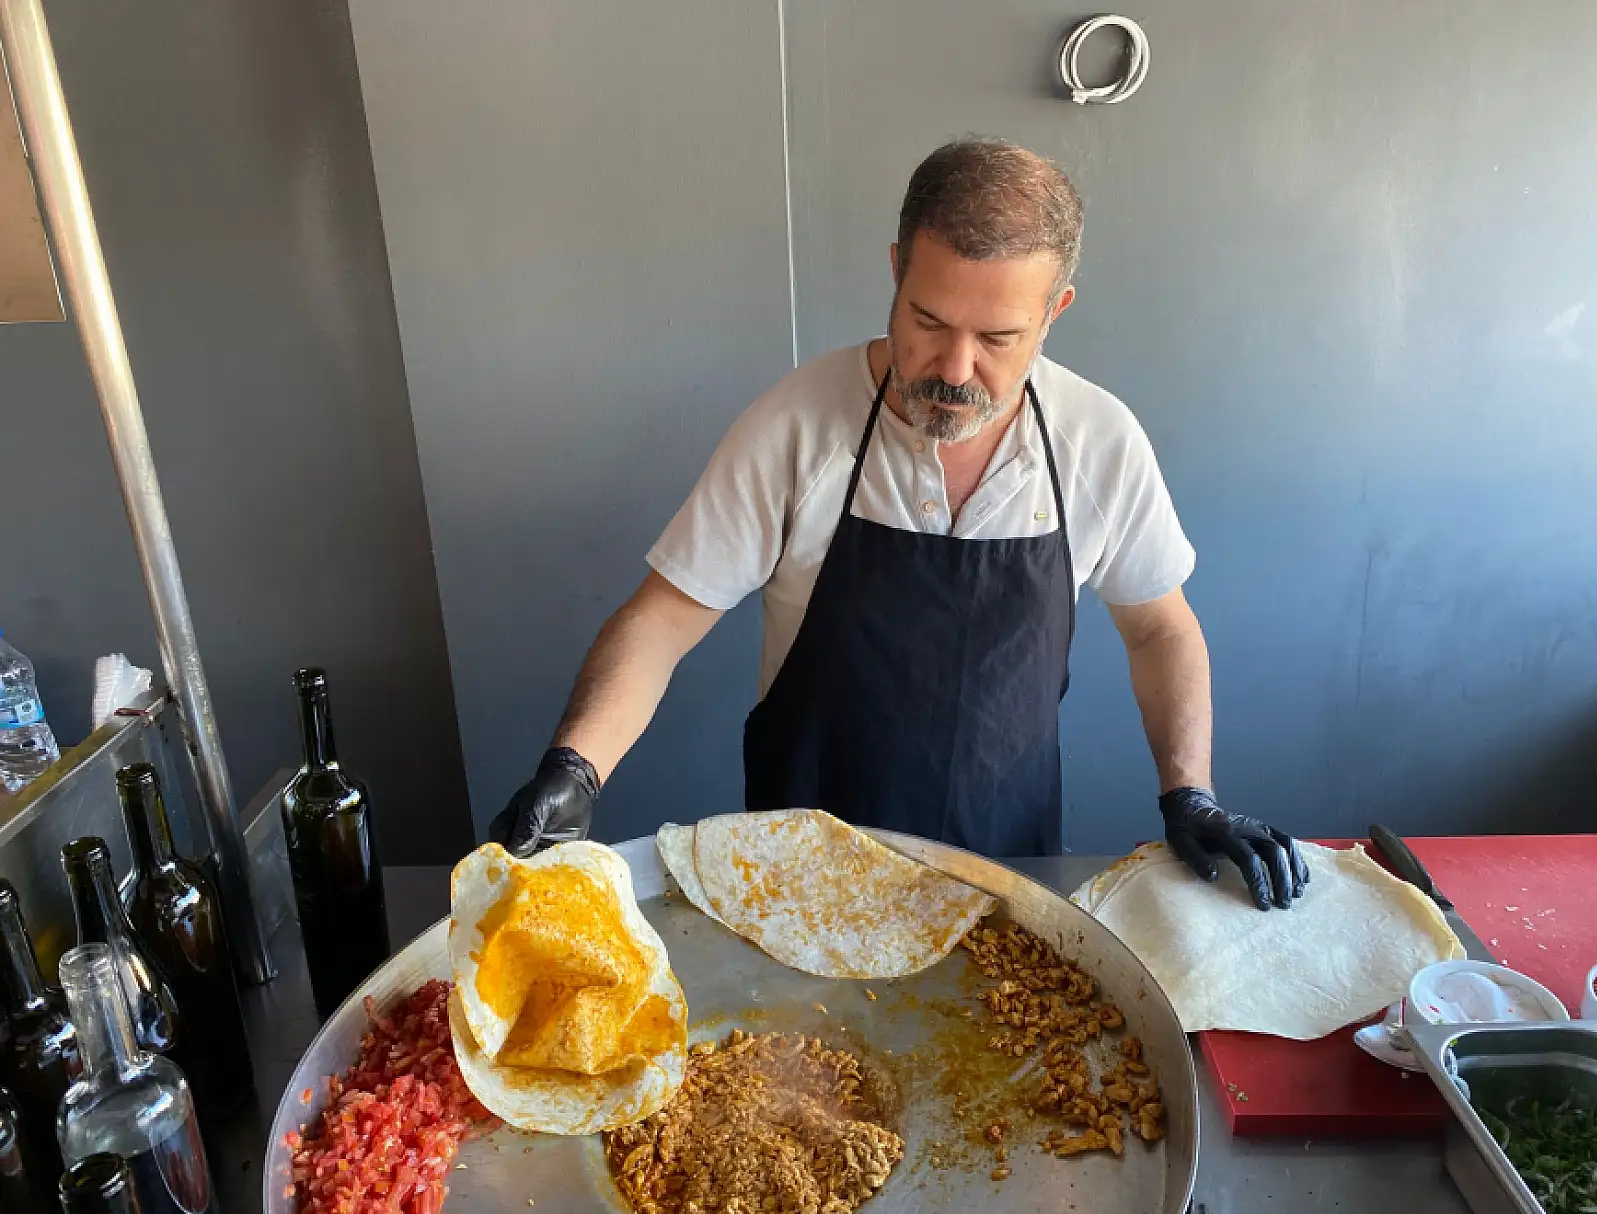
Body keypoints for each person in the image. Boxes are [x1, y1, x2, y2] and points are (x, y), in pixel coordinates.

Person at [490, 138, 1308, 910]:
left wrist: (1190, 793)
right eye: (928, 321)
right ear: (895, 271)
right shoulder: (797, 427)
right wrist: (576, 766)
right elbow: (663, 619)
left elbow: (1160, 628)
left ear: (1054, 310)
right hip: (800, 883)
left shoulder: (1098, 442)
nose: (955, 369)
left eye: (997, 338)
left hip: (1007, 880)